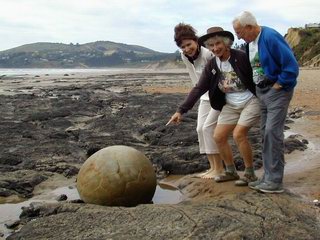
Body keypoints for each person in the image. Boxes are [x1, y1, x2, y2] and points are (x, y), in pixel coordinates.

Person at [168, 27, 260, 186]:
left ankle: (250, 173)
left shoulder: (241, 57)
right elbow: (199, 87)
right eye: (211, 45)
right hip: (230, 103)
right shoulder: (212, 63)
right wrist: (180, 110)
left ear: (227, 43)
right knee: (218, 136)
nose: (215, 48)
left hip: (250, 101)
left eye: (218, 44)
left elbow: (259, 73)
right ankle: (230, 171)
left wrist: (272, 95)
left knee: (238, 134)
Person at [232, 11, 299, 193]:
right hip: (262, 92)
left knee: (272, 133)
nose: (238, 36)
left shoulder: (270, 36)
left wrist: (279, 85)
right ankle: (268, 177)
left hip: (276, 91)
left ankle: (275, 181)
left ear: (249, 27)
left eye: (239, 32)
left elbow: (291, 66)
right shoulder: (251, 42)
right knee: (265, 133)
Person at [169, 23, 224, 179]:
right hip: (203, 95)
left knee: (208, 129)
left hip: (217, 95)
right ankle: (212, 167)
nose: (187, 49)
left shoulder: (207, 53)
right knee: (200, 129)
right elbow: (194, 77)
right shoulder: (184, 56)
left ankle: (219, 169)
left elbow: (220, 75)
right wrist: (196, 95)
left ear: (196, 41)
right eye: (183, 47)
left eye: (189, 44)